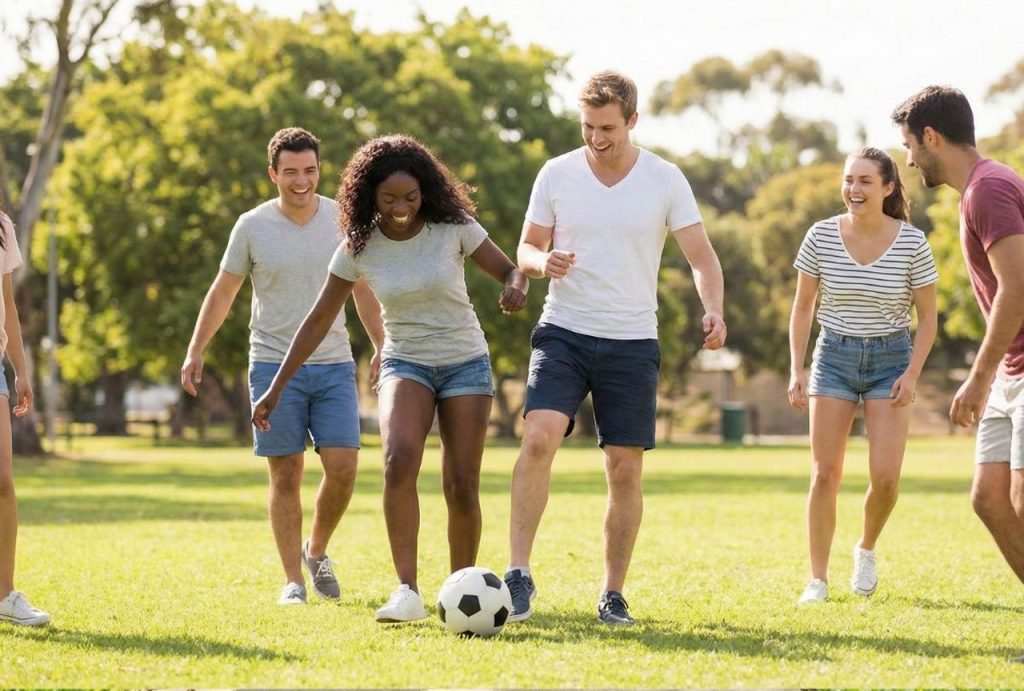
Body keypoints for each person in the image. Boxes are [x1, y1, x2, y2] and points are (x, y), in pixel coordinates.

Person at [252, 134, 528, 623]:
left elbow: (511, 271)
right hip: (406, 361)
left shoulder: (454, 227)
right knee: (398, 460)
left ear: (426, 191)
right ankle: (407, 590)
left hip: (465, 360)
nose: (401, 208)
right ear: (368, 196)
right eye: (389, 199)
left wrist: (513, 289)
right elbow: (317, 320)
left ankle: (458, 589)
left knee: (461, 482)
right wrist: (276, 387)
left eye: (411, 197)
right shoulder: (359, 246)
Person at [504, 70, 727, 626]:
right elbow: (527, 247)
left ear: (632, 120)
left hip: (632, 339)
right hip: (565, 329)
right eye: (587, 126)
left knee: (624, 468)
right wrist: (539, 263)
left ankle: (612, 593)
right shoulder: (556, 173)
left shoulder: (665, 178)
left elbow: (702, 257)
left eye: (607, 127)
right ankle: (519, 573)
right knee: (539, 436)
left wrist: (713, 307)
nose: (596, 138)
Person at [181, 127, 383, 606]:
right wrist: (195, 349)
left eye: (309, 170)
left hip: (333, 364)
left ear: (319, 169)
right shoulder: (251, 226)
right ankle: (293, 579)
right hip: (272, 365)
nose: (301, 180)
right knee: (285, 474)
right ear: (273, 173)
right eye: (290, 172)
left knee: (344, 466)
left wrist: (381, 343)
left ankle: (317, 548)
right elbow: (223, 291)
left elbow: (363, 290)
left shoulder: (343, 220)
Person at [788, 147, 938, 604]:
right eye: (849, 180)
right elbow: (803, 307)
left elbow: (929, 318)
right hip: (834, 355)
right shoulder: (820, 236)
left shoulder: (912, 242)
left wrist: (912, 373)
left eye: (865, 181)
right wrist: (797, 366)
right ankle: (817, 579)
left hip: (892, 359)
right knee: (824, 474)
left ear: (888, 187)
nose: (853, 189)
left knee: (886, 476)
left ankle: (866, 547)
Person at [892, 87, 1024, 597]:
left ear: (931, 137)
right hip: (1010, 370)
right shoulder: (978, 191)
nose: (907, 159)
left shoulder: (989, 188)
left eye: (909, 145)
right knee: (990, 498)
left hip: (1014, 368)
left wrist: (979, 374)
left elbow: (1017, 287)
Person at [0, 206, 48, 627]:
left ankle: (4, 595)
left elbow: (8, 306)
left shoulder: (1, 227)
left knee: (2, 481)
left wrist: (21, 371)